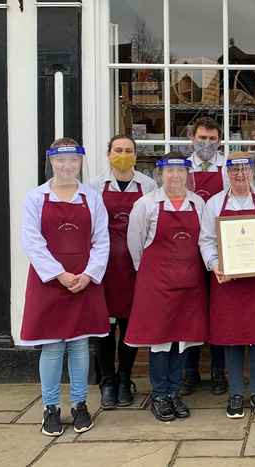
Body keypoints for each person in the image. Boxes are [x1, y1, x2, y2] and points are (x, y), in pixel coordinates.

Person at [18, 138, 110, 437]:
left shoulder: (91, 197)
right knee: (54, 346)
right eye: (61, 160)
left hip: (84, 281)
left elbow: (101, 240)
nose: (67, 166)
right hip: (50, 283)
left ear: (80, 162)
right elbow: (32, 241)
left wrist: (88, 274)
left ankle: (80, 405)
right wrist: (59, 274)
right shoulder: (35, 198)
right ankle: (51, 408)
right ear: (51, 161)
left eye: (73, 160)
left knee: (81, 346)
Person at [199, 152, 255, 419]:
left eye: (244, 169)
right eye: (234, 170)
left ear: (252, 172)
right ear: (226, 172)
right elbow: (206, 241)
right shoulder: (214, 204)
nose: (239, 174)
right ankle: (236, 392)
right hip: (227, 283)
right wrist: (215, 265)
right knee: (231, 338)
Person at [125, 152, 208, 422]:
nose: (174, 176)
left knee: (182, 339)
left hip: (189, 283)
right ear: (160, 174)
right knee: (159, 340)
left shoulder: (198, 204)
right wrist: (150, 274)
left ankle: (174, 392)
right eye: (169, 171)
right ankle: (159, 395)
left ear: (187, 174)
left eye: (180, 171)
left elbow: (206, 241)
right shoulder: (146, 204)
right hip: (157, 283)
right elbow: (135, 246)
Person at [88, 134, 156, 409]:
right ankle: (107, 381)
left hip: (135, 266)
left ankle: (125, 378)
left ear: (136, 155)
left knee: (130, 325)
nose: (123, 154)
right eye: (118, 150)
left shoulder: (148, 185)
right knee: (103, 327)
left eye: (129, 150)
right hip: (104, 267)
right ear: (108, 154)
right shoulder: (94, 186)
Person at [182, 116, 228, 396]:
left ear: (219, 140)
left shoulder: (227, 168)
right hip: (186, 249)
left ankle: (219, 372)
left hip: (221, 248)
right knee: (191, 311)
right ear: (192, 138)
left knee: (221, 311)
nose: (207, 143)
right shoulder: (182, 168)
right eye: (202, 138)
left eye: (212, 139)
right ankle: (190, 372)